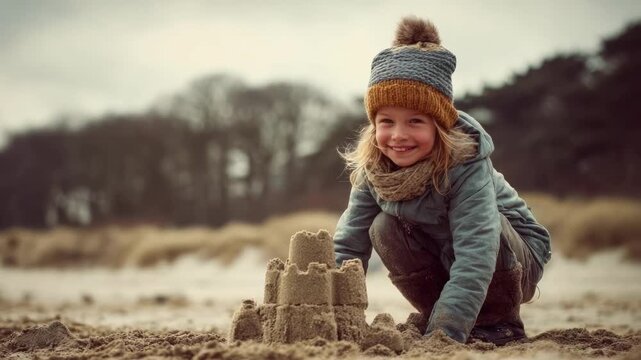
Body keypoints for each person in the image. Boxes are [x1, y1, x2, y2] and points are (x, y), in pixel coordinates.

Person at [333, 16, 552, 346]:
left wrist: (444, 336)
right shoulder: (374, 167)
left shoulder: (465, 164)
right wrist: (332, 313)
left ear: (440, 125)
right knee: (382, 226)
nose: (398, 135)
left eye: (415, 121)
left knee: (483, 228)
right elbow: (349, 244)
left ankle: (495, 322)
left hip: (513, 253)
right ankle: (443, 311)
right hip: (448, 249)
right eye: (386, 121)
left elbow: (476, 251)